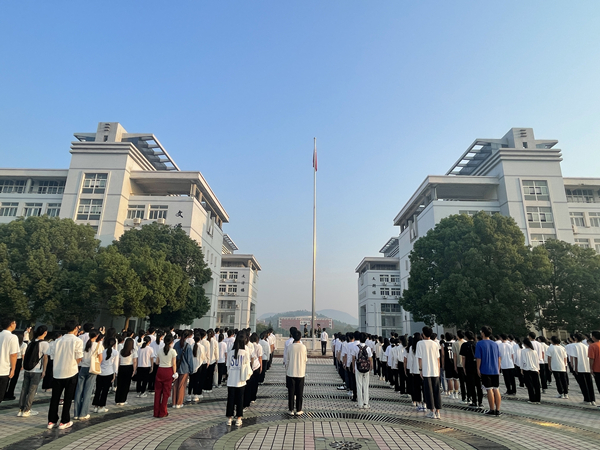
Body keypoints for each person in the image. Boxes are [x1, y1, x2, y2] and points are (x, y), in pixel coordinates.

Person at [47, 320, 84, 430]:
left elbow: (52, 356)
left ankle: (51, 421)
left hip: (57, 372)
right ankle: (64, 421)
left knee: (55, 398)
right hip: (71, 371)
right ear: (76, 328)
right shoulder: (77, 341)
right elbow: (79, 357)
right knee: (68, 398)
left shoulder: (57, 341)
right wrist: (73, 364)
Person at [18, 325, 49, 417]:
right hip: (37, 370)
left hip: (28, 369)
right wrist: (44, 370)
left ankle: (21, 409)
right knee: (32, 390)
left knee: (24, 389)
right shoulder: (45, 344)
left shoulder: (31, 342)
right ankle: (27, 410)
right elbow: (45, 358)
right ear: (45, 333)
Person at [73, 330, 102, 420]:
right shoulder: (98, 345)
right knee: (88, 391)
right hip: (92, 369)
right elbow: (100, 358)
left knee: (79, 390)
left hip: (83, 367)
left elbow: (80, 356)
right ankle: (83, 413)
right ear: (97, 336)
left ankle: (76, 413)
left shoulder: (84, 344)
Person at [226, 332, 251, 427]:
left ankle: (229, 418)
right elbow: (248, 367)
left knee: (230, 400)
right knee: (240, 399)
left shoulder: (230, 353)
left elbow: (228, 367)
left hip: (231, 380)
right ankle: (239, 418)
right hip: (241, 381)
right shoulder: (245, 353)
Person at [475, 326, 501, 416]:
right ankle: (498, 410)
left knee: (489, 389)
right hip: (495, 369)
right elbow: (499, 357)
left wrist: (478, 368)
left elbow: (479, 358)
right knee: (496, 389)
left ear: (482, 333)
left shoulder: (479, 344)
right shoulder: (495, 344)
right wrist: (498, 368)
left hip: (485, 369)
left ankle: (492, 409)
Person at [417, 326, 442, 419]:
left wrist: (420, 370)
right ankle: (438, 411)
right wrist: (438, 370)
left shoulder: (420, 343)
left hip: (426, 370)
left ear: (423, 334)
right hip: (435, 370)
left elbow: (420, 358)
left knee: (428, 391)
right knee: (436, 391)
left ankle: (431, 411)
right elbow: (438, 359)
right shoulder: (435, 344)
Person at [93, 337, 118, 413]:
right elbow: (115, 365)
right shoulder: (115, 352)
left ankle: (95, 406)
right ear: (114, 344)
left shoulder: (102, 351)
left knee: (98, 390)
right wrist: (115, 374)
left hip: (100, 372)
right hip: (109, 373)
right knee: (105, 391)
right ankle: (101, 407)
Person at [154, 334, 177, 418]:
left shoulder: (160, 350)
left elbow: (157, 362)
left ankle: (156, 412)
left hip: (160, 370)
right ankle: (163, 411)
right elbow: (174, 364)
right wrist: (175, 373)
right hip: (168, 371)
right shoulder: (173, 351)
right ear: (172, 342)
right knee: (166, 393)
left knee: (158, 392)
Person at [285, 329, 307, 415]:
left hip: (291, 372)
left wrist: (287, 370)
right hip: (300, 372)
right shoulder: (303, 347)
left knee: (291, 392)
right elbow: (305, 359)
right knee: (299, 392)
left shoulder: (290, 347)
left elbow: (287, 360)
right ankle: (299, 409)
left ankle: (291, 409)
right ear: (300, 337)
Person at [571, 333, 595, 405]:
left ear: (575, 338)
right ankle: (592, 399)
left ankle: (587, 399)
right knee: (589, 384)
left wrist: (575, 367)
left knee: (583, 384)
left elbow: (575, 358)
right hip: (587, 367)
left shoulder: (575, 346)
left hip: (580, 367)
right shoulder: (586, 346)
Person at [351, 332, 372, 409]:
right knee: (366, 385)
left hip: (358, 368)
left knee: (359, 385)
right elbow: (370, 359)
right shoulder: (368, 348)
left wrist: (353, 367)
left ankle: (360, 403)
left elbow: (353, 359)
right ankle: (366, 403)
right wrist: (370, 368)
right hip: (366, 369)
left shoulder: (355, 348)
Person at [173, 330, 193, 408]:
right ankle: (179, 402)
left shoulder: (176, 344)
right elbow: (189, 359)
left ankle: (174, 402)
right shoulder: (187, 346)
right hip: (185, 368)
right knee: (182, 386)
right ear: (187, 337)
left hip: (176, 367)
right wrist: (191, 369)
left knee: (175, 385)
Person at [115, 337, 137, 405]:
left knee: (120, 384)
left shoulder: (121, 351)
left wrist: (117, 369)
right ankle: (122, 400)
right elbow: (135, 361)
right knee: (126, 385)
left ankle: (117, 399)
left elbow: (119, 361)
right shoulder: (133, 351)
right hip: (129, 367)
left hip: (121, 367)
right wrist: (134, 370)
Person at [4, 332, 26, 400]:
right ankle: (10, 393)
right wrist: (23, 364)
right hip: (18, 361)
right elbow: (23, 355)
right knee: (14, 379)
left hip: (10, 360)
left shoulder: (12, 343)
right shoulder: (24, 344)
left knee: (7, 377)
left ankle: (4, 392)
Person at [521, 337, 541, 404]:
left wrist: (521, 368)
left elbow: (523, 361)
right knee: (536, 385)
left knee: (530, 385)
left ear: (525, 344)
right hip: (535, 369)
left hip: (527, 369)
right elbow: (537, 361)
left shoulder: (523, 351)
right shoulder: (534, 351)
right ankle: (538, 399)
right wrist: (538, 369)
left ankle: (532, 399)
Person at [452, 330, 467, 403]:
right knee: (468, 382)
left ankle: (463, 398)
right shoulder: (466, 342)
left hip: (459, 364)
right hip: (466, 365)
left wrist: (455, 365)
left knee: (462, 383)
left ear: (457, 335)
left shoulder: (455, 344)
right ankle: (469, 397)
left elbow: (454, 355)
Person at [587, 331, 600, 400]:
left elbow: (591, 358)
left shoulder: (592, 346)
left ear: (593, 337)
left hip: (597, 369)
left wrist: (591, 368)